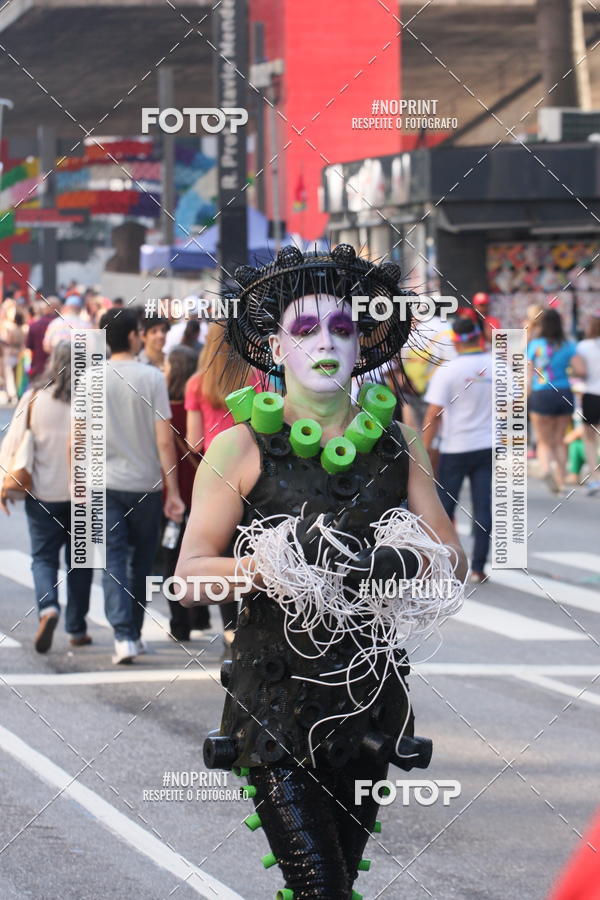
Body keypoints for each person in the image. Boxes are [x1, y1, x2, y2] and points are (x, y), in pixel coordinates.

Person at [176, 244, 467, 899]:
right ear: (276, 349)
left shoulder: (397, 442)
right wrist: (267, 566)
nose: (325, 342)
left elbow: (454, 559)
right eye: (304, 329)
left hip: (368, 703)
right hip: (275, 702)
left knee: (336, 878)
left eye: (341, 327)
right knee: (321, 887)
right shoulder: (241, 444)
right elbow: (191, 575)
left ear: (363, 345)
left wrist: (399, 558)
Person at [99, 308, 185, 664]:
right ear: (135, 335)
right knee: (141, 563)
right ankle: (131, 632)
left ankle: (123, 635)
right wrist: (174, 492)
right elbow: (165, 441)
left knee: (113, 558)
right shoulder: (150, 377)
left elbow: (78, 441)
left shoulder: (91, 378)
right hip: (146, 486)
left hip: (102, 485)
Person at [0, 342, 93, 652]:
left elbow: (13, 444)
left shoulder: (34, 397)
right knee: (81, 562)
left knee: (43, 558)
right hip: (83, 495)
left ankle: (48, 607)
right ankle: (77, 628)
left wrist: (5, 484)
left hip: (42, 493)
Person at [184, 324, 261, 645]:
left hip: (216, 475)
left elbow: (192, 440)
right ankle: (252, 622)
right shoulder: (255, 379)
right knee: (255, 553)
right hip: (254, 475)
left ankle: (229, 631)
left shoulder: (197, 383)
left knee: (219, 554)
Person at [422, 316, 493, 583]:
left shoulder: (448, 370)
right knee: (482, 506)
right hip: (486, 446)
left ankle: (436, 561)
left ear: (455, 341)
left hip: (455, 447)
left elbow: (433, 414)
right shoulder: (496, 366)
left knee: (443, 507)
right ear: (478, 336)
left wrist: (424, 449)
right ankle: (478, 567)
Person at [161, 344, 210, 641]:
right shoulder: (201, 403)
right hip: (204, 491)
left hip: (175, 491)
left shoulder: (164, 408)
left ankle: (179, 623)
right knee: (205, 553)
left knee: (173, 557)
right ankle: (202, 616)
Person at [527, 308, 577, 493]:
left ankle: (547, 470)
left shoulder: (535, 345)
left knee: (543, 440)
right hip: (564, 391)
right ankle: (562, 478)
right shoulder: (568, 345)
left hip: (541, 392)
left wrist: (525, 395)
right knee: (559, 440)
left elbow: (528, 374)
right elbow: (579, 369)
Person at [571, 311, 600, 494]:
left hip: (590, 394)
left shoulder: (582, 346)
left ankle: (594, 478)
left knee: (589, 439)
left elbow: (578, 371)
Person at [25, 296, 61, 379]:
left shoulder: (34, 325)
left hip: (38, 367)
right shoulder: (63, 325)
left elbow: (29, 346)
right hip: (57, 370)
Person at [0, 302, 27, 403]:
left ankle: (11, 394)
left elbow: (8, 341)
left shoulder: (12, 330)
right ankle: (18, 392)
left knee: (9, 376)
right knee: (17, 375)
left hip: (11, 353)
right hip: (19, 353)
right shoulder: (23, 330)